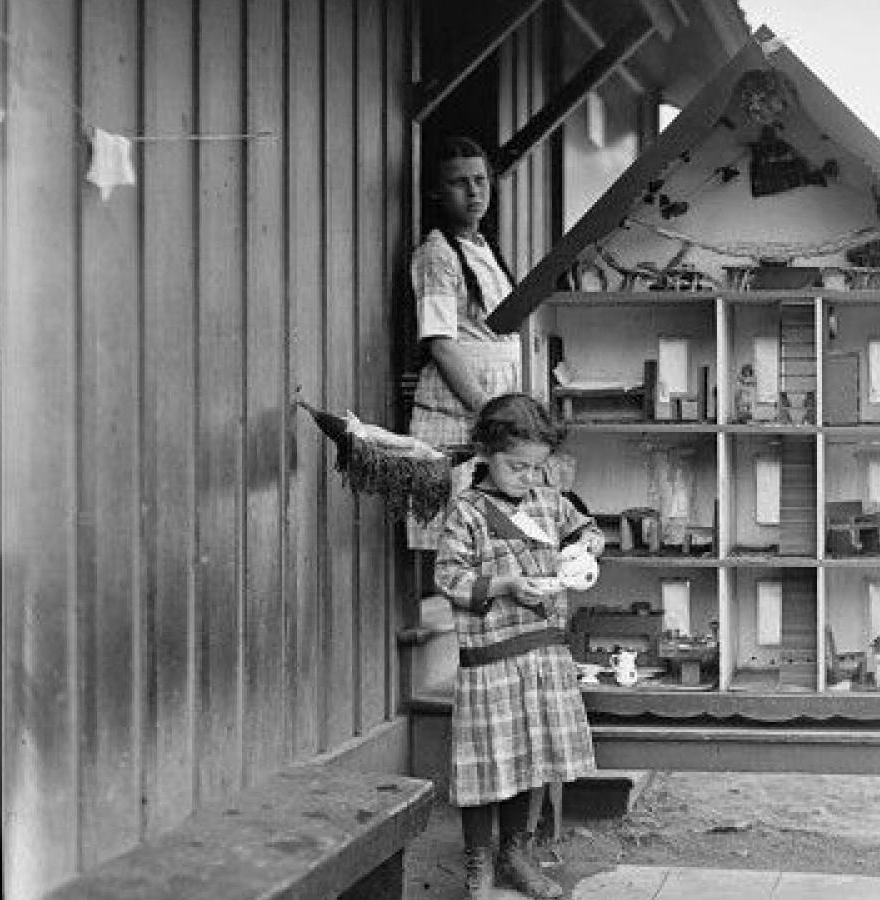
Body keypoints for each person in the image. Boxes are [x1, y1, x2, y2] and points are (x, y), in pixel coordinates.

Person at [436, 394, 605, 899]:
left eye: (537, 467)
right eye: (516, 466)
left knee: (528, 758)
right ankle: (479, 861)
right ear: (486, 450)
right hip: (490, 656)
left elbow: (588, 529)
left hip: (543, 653)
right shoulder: (467, 510)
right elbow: (448, 576)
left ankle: (516, 853)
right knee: (486, 761)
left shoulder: (550, 502)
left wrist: (585, 547)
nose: (528, 477)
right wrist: (507, 584)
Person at [408, 136, 523, 551]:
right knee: (459, 534)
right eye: (459, 183)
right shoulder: (437, 254)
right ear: (438, 192)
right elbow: (440, 343)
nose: (473, 192)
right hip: (461, 405)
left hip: (499, 396)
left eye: (480, 181)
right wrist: (486, 407)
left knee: (503, 531)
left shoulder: (484, 247)